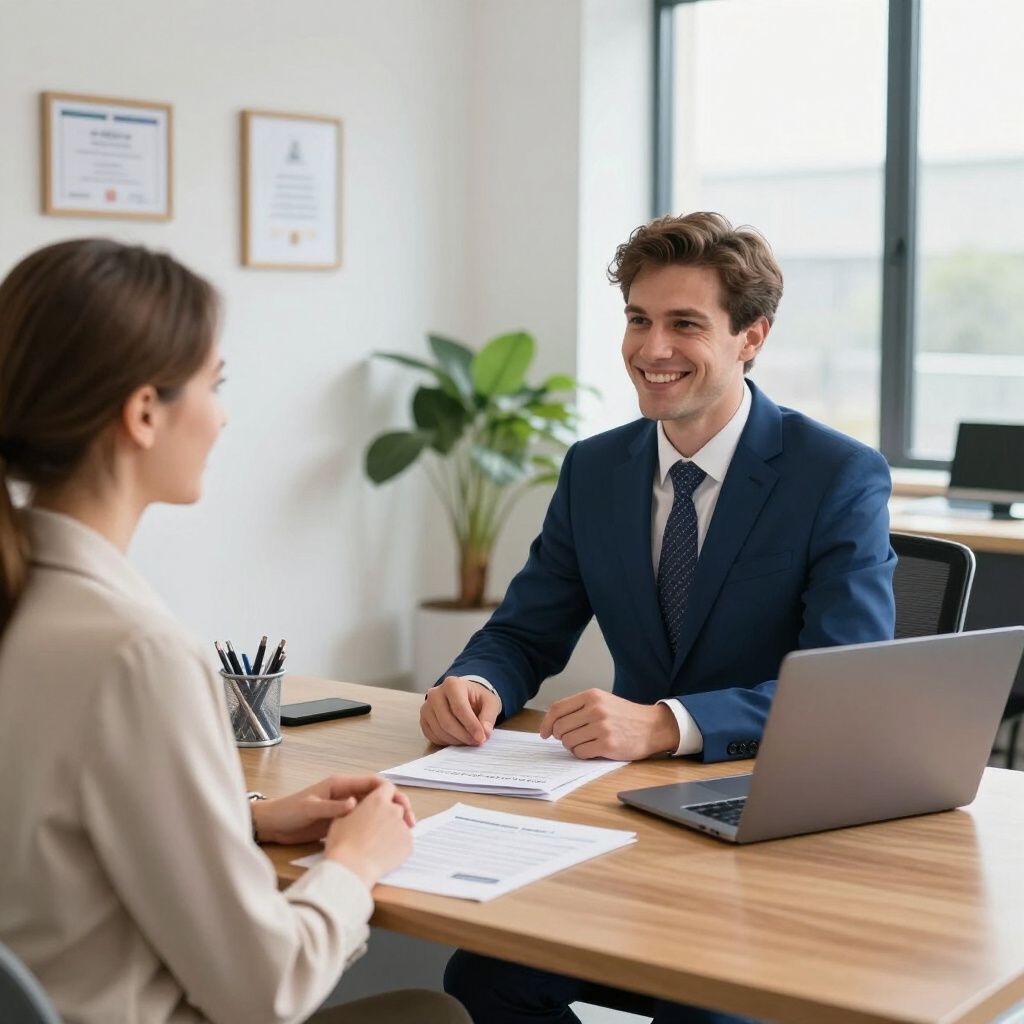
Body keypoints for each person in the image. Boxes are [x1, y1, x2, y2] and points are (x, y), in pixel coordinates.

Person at [422, 212, 896, 1024]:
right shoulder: (596, 468)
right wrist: (475, 681)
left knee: (703, 1008)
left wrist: (667, 723)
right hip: (623, 813)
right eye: (639, 319)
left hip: (769, 820)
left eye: (685, 324)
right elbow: (525, 632)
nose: (652, 348)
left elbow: (845, 691)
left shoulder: (835, 474)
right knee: (484, 975)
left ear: (752, 337)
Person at [0, 239, 469, 1024]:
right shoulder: (136, 654)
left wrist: (238, 822)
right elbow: (265, 989)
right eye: (214, 385)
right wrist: (355, 862)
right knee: (432, 1014)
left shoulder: (29, 605)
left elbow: (43, 832)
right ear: (144, 413)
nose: (221, 416)